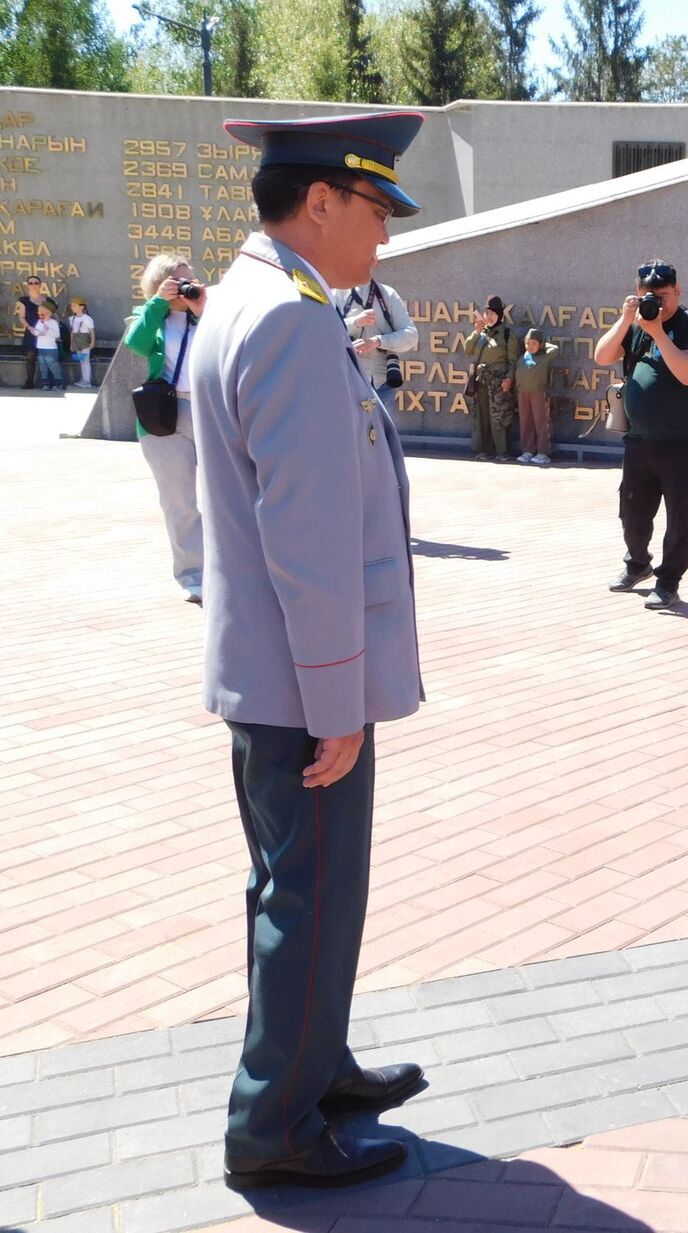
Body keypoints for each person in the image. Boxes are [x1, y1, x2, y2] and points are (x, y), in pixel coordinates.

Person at [190, 110, 429, 1191]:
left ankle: (312, 1063)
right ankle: (274, 1127)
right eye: (373, 211)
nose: (381, 239)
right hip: (302, 688)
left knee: (294, 890)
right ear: (321, 201)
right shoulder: (288, 319)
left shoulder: (256, 298)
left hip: (270, 673)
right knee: (312, 898)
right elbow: (310, 540)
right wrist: (338, 701)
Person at [593, 259, 688, 611]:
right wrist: (626, 319)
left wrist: (660, 332)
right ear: (637, 292)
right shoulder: (635, 325)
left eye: (663, 296)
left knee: (681, 516)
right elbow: (603, 355)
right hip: (639, 440)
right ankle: (637, 563)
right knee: (631, 512)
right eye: (649, 296)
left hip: (680, 441)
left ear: (678, 291)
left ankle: (668, 582)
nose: (657, 304)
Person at [122, 254, 206, 604]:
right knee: (179, 501)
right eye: (177, 281)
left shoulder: (204, 313)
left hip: (206, 409)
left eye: (189, 279)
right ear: (159, 285)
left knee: (227, 496)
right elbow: (135, 343)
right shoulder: (150, 316)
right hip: (164, 415)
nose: (184, 286)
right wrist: (158, 303)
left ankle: (231, 570)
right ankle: (193, 576)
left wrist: (201, 308)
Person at [336, 277, 418, 407]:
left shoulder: (387, 294)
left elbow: (410, 335)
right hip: (346, 381)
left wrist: (378, 341)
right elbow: (323, 332)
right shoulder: (336, 293)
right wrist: (355, 323)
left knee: (381, 428)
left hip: (382, 384)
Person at [464, 295, 521, 460]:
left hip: (499, 381)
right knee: (482, 415)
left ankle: (502, 451)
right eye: (487, 312)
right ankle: (483, 449)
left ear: (500, 315)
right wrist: (476, 332)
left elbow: (513, 361)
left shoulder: (507, 334)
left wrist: (509, 379)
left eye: (493, 314)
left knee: (499, 416)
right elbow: (468, 349)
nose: (489, 317)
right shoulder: (482, 332)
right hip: (482, 380)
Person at [513, 327, 558, 464]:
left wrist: (544, 345)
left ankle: (542, 452)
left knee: (540, 422)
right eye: (527, 343)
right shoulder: (522, 358)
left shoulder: (544, 357)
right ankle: (527, 450)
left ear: (540, 345)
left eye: (534, 343)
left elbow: (555, 348)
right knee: (525, 422)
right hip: (523, 393)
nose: (530, 346)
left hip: (538, 392)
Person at [13, 274, 45, 389]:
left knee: (47, 358)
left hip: (44, 334)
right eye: (31, 283)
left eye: (36, 283)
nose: (33, 285)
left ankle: (48, 382)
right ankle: (29, 382)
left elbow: (53, 316)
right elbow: (22, 317)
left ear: (40, 285)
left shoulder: (47, 300)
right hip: (31, 332)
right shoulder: (24, 300)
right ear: (27, 285)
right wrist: (29, 327)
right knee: (30, 358)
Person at [28, 298, 64, 391]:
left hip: (51, 348)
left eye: (41, 312)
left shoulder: (53, 322)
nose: (39, 314)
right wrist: (35, 331)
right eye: (39, 312)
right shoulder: (39, 322)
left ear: (48, 313)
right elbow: (37, 332)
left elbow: (57, 335)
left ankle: (58, 383)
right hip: (41, 347)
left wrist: (48, 330)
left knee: (53, 365)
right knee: (43, 366)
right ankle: (45, 383)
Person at [67, 296, 96, 388]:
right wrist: (72, 344)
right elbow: (72, 331)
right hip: (77, 340)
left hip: (84, 340)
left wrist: (92, 342)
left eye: (75, 306)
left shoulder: (87, 318)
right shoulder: (72, 318)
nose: (72, 308)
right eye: (72, 306)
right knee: (81, 360)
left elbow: (92, 331)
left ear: (82, 307)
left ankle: (87, 381)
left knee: (85, 361)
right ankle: (83, 379)